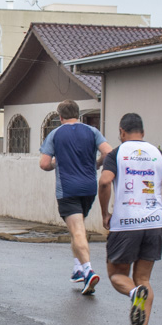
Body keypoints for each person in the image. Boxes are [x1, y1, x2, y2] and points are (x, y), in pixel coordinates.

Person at [97, 113, 162, 325]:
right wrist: (161, 210)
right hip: (154, 224)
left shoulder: (117, 154)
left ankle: (134, 295)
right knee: (143, 278)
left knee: (116, 275)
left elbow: (104, 182)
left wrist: (105, 214)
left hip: (125, 223)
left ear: (122, 132)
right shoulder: (159, 154)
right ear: (142, 131)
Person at [39, 100, 112, 294]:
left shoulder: (55, 134)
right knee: (77, 228)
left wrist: (57, 162)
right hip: (89, 188)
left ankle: (88, 271)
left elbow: (44, 164)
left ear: (60, 117)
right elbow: (109, 152)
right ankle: (77, 268)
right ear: (78, 115)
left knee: (77, 230)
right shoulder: (92, 131)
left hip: (68, 190)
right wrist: (97, 163)